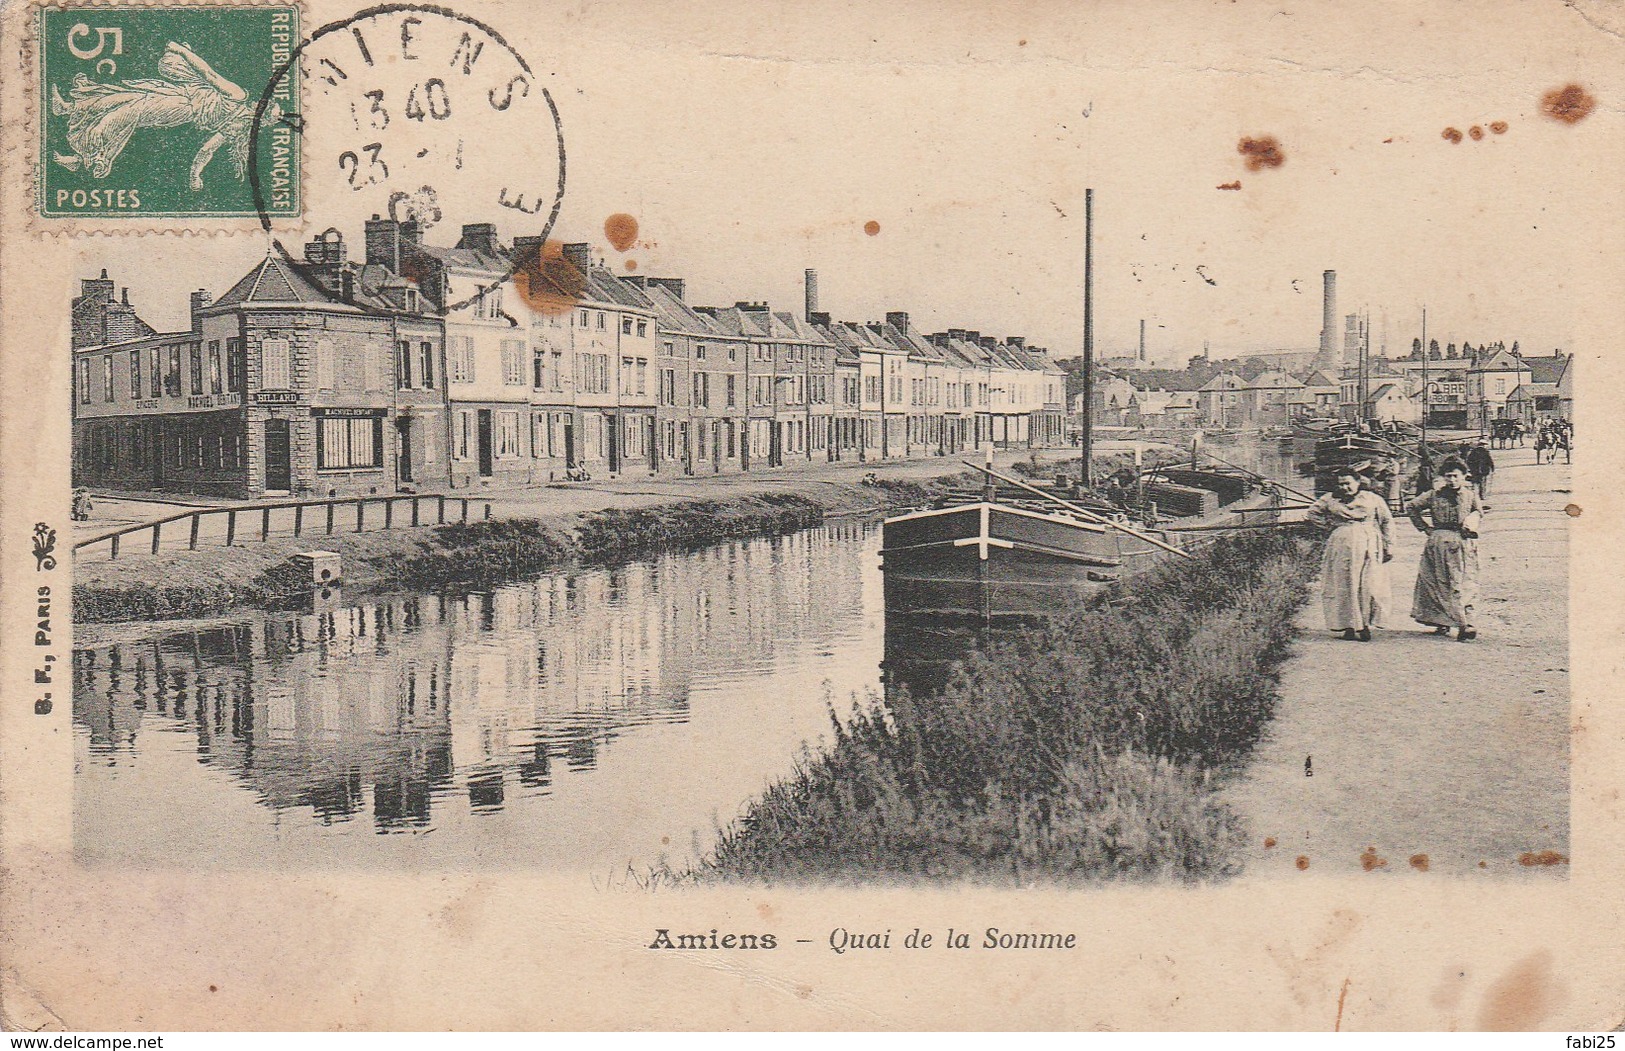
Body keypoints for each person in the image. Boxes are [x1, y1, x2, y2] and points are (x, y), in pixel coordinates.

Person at [50, 41, 282, 191]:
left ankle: (90, 157)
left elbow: (209, 75)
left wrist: (183, 51)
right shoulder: (237, 112)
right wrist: (195, 176)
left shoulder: (237, 105)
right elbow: (207, 149)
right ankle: (70, 108)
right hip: (178, 95)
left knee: (129, 111)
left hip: (180, 107)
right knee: (125, 96)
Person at [1305, 467, 1393, 642]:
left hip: (1368, 543)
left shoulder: (1372, 499)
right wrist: (1330, 526)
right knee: (1344, 583)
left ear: (1358, 482)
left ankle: (1365, 624)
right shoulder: (1330, 499)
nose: (1345, 487)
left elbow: (1386, 521)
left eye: (1348, 483)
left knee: (1368, 583)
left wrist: (1388, 546)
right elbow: (1312, 514)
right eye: (1341, 484)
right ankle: (1348, 625)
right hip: (1341, 544)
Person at [1405, 457, 1483, 641]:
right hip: (1439, 541)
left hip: (1463, 542)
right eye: (1448, 476)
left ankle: (1467, 623)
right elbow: (1411, 507)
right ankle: (1443, 621)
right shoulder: (1434, 494)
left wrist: (1472, 523)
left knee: (1465, 581)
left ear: (1464, 477)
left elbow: (1479, 513)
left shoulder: (1470, 495)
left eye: (1456, 476)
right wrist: (1425, 528)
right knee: (1438, 581)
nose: (1452, 480)